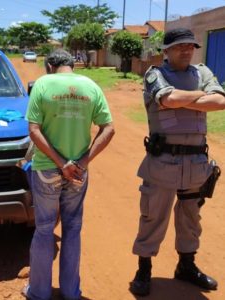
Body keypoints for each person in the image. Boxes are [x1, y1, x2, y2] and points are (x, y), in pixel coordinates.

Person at [130, 28, 225, 296]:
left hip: (196, 163)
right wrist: (198, 97)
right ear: (166, 50)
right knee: (153, 217)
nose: (187, 50)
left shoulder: (202, 72)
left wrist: (183, 99)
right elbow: (167, 98)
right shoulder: (155, 74)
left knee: (191, 219)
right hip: (163, 162)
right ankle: (144, 269)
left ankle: (186, 265)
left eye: (191, 46)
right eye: (180, 46)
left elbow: (220, 101)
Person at [23, 49, 115, 300]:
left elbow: (33, 130)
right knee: (73, 229)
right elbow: (108, 128)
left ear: (51, 65)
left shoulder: (43, 84)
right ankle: (71, 292)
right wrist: (82, 163)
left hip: (47, 170)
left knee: (44, 229)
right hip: (78, 172)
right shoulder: (91, 86)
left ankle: (39, 292)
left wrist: (60, 162)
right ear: (72, 65)